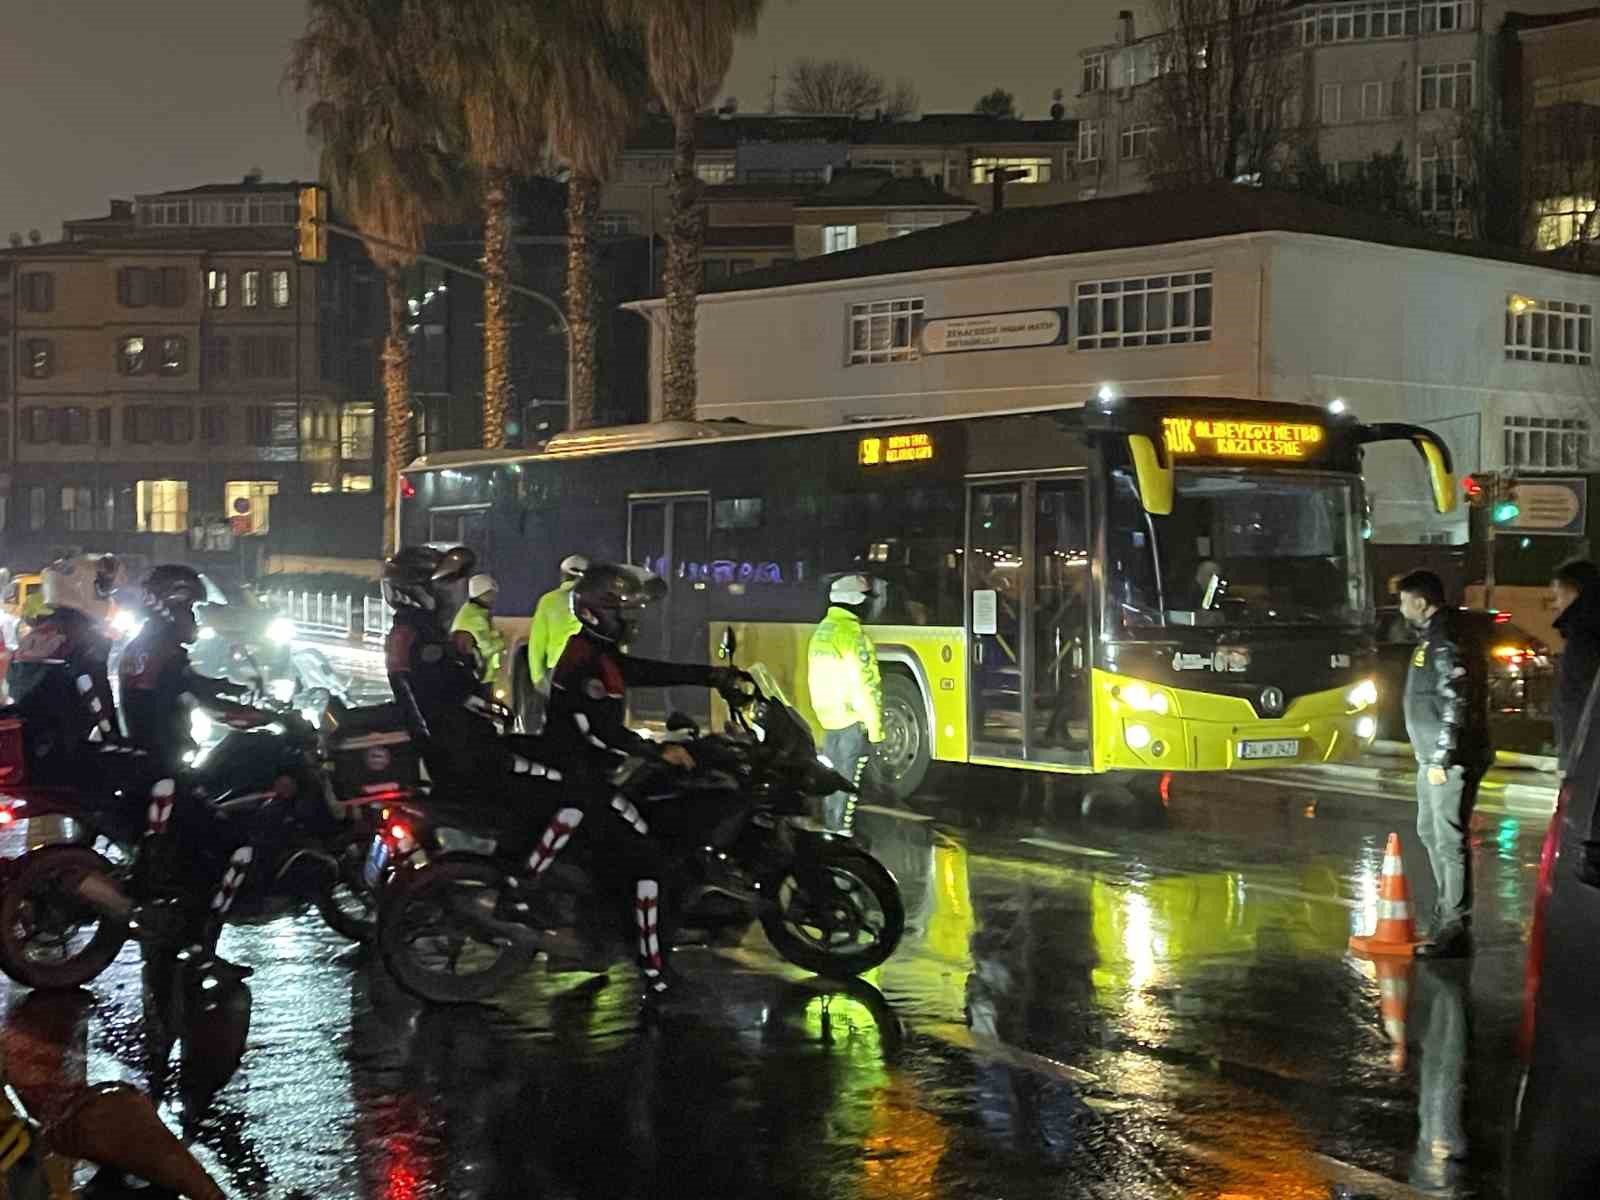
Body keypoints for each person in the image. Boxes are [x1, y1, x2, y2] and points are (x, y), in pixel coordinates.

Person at [536, 561, 751, 999]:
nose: (633, 621)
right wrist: (656, 750)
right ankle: (654, 971)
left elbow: (643, 671)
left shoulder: (597, 652)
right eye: (625, 613)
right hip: (586, 780)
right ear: (599, 612)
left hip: (592, 771)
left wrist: (708, 675)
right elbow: (600, 733)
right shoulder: (585, 661)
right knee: (651, 860)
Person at [118, 564, 270, 971]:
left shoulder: (145, 647)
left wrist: (230, 689)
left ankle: (176, 928)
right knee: (236, 846)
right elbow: (190, 696)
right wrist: (242, 713)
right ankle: (203, 948)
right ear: (175, 608)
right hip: (165, 770)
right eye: (191, 611)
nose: (195, 620)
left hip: (148, 767)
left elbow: (189, 686)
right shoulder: (163, 650)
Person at [1396, 569, 1491, 959]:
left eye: (1404, 601)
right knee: (1429, 831)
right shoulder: (1431, 638)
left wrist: (1442, 756)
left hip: (1446, 759)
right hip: (1431, 756)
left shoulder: (1445, 638)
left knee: (1448, 837)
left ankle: (1454, 925)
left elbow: (1456, 700)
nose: (1400, 608)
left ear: (1420, 602)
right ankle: (1446, 914)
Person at [807, 574, 885, 833]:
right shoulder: (852, 636)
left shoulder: (823, 631)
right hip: (851, 718)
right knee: (848, 782)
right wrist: (875, 730)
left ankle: (829, 828)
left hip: (828, 717)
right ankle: (841, 833)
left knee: (831, 777)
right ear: (856, 601)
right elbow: (867, 685)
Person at [525, 554, 587, 729]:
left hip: (557, 670)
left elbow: (537, 642)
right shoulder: (593, 600)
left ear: (563, 575)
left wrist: (537, 676)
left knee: (559, 721)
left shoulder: (548, 601)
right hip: (587, 668)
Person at [1549, 560, 1600, 775]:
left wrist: (1571, 759)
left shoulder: (1584, 638)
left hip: (1585, 757)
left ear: (1574, 593)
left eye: (1558, 595)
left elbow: (1584, 699)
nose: (1556, 604)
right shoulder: (1586, 633)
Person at [451, 572, 506, 692]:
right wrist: (502, 641)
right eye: (491, 594)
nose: (494, 598)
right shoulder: (476, 618)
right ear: (482, 594)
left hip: (472, 674)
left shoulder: (469, 612)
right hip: (480, 677)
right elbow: (486, 649)